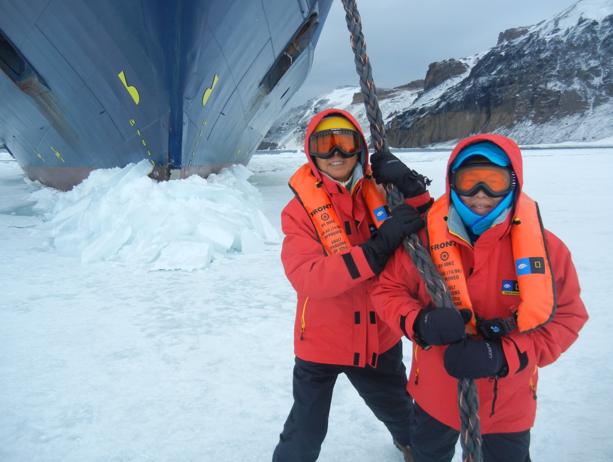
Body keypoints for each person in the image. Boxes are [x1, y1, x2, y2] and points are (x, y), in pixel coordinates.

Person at [371, 134, 589, 462]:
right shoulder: (423, 242)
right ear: (452, 182)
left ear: (513, 182)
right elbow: (386, 290)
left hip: (508, 406)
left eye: (494, 181)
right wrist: (420, 322)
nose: (480, 195)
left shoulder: (547, 251)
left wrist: (504, 356)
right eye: (469, 181)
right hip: (433, 398)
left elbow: (568, 318)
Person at [272, 108, 432, 462]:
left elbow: (431, 225)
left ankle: (409, 447)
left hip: (378, 337)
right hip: (321, 341)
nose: (336, 155)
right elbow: (307, 275)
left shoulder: (384, 191)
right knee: (304, 430)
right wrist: (374, 251)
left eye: (345, 144)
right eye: (324, 145)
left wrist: (412, 187)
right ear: (310, 152)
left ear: (359, 149)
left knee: (401, 413)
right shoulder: (298, 212)